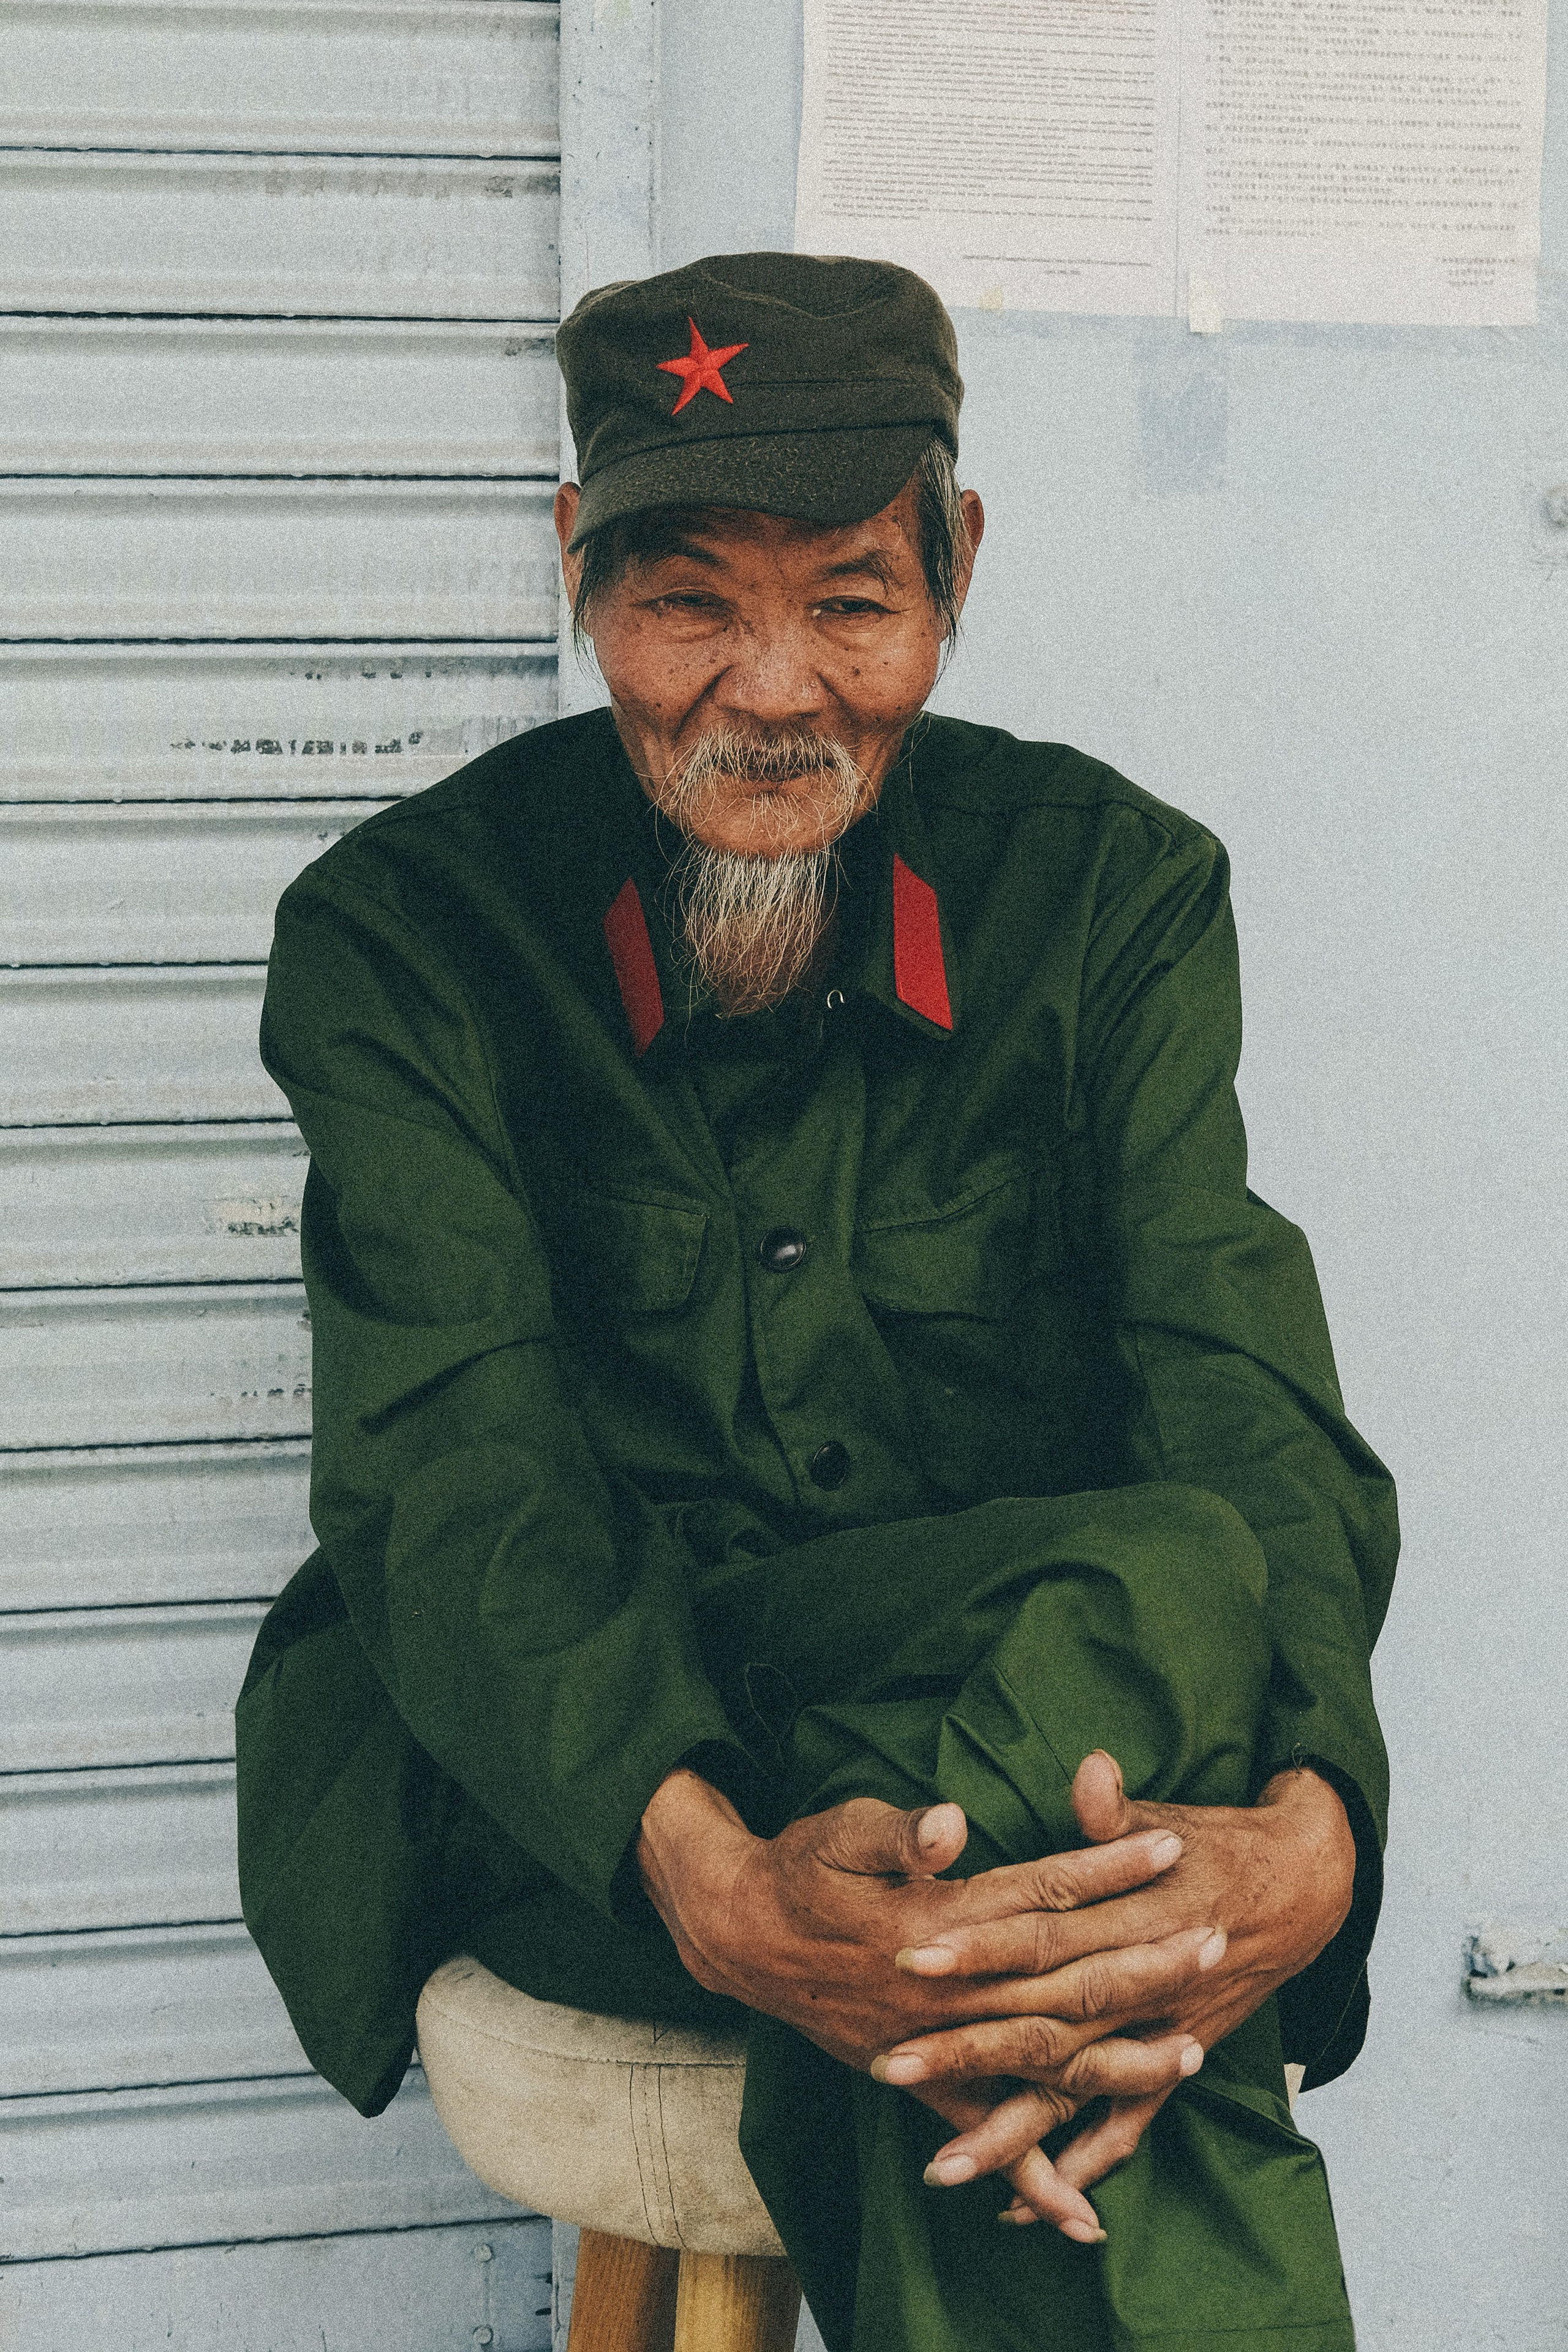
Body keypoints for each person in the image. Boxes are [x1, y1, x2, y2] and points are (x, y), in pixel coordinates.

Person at [237, 252, 1398, 2352]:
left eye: (850, 601)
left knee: (1168, 1581)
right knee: (1094, 1766)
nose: (771, 687)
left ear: (955, 573)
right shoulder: (404, 940)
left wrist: (1316, 1833)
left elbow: (1240, 1376)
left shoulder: (1111, 893)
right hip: (577, 1760)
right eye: (690, 601)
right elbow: (454, 1481)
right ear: (580, 573)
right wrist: (708, 1869)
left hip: (982, 1703)